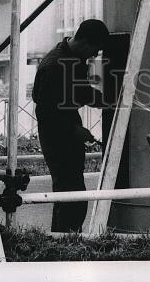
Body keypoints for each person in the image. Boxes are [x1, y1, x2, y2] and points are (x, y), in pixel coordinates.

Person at [32, 18, 109, 232]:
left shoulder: (72, 58)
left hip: (66, 136)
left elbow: (80, 92)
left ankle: (61, 240)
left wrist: (106, 101)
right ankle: (64, 243)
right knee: (71, 199)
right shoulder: (55, 65)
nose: (94, 57)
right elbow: (46, 112)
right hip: (58, 140)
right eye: (94, 50)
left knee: (70, 196)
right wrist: (75, 130)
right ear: (84, 42)